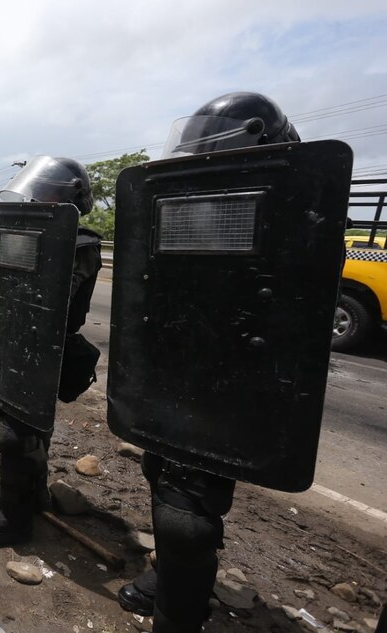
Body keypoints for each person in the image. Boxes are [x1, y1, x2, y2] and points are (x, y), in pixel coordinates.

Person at [109, 92, 351, 633]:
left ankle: (180, 610)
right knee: (162, 472)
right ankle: (173, 577)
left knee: (187, 513)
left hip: (237, 373)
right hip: (177, 362)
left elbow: (294, 309)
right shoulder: (186, 207)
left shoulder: (300, 212)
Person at [0, 156, 102, 547]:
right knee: (26, 427)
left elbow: (48, 300)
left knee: (17, 432)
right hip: (17, 341)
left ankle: (15, 519)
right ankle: (32, 495)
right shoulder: (27, 231)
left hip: (44, 346)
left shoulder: (77, 243)